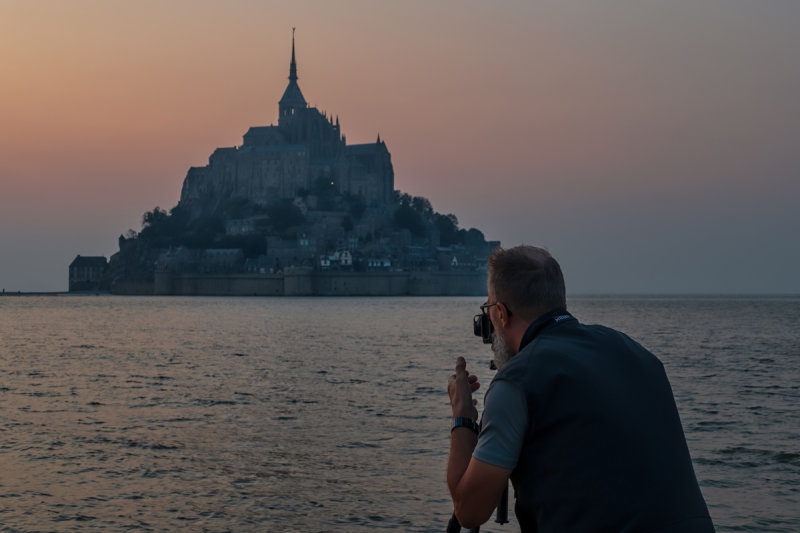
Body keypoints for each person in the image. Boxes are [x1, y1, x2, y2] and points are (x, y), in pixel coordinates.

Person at [447, 245, 715, 532]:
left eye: (488, 310)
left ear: (500, 313)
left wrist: (462, 414)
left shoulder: (517, 381)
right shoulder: (636, 353)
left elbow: (470, 512)